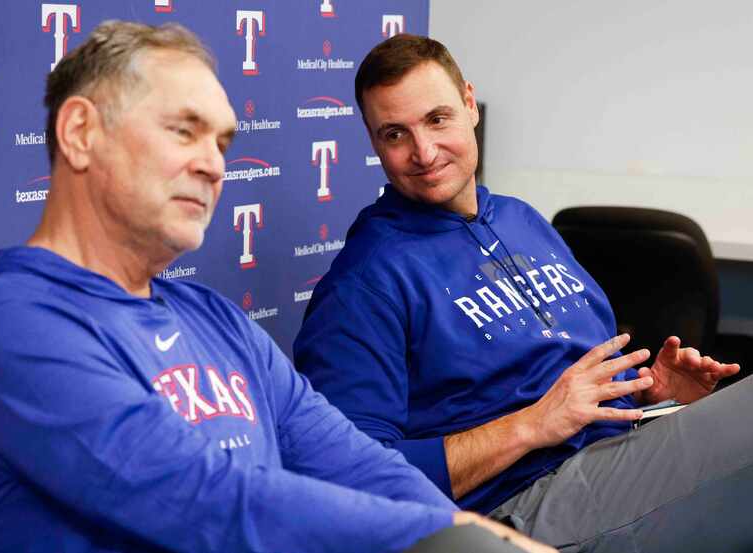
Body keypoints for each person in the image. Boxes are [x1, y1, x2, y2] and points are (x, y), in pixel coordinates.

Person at [0, 22, 553, 553]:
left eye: (222, 141)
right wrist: (452, 543)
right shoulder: (10, 326)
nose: (213, 163)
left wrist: (471, 532)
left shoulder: (214, 318)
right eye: (184, 131)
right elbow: (204, 499)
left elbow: (356, 464)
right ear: (79, 133)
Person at [294, 33, 753, 551]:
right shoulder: (364, 283)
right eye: (395, 134)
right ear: (374, 141)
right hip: (522, 510)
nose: (423, 152)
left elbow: (579, 370)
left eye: (437, 119)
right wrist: (533, 425)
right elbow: (346, 481)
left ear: (470, 104)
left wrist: (647, 392)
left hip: (619, 454)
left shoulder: (520, 219)